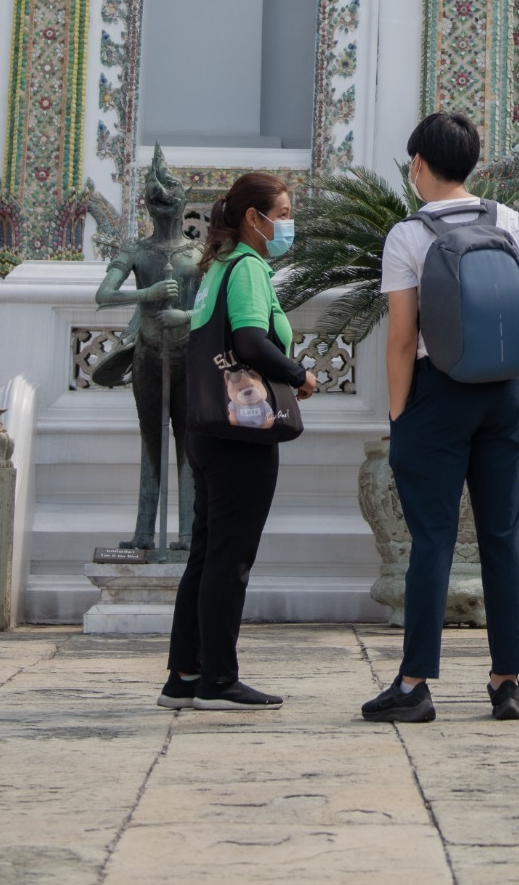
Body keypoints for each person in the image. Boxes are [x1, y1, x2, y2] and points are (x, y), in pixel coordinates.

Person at [360, 112, 519, 724]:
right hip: (503, 394)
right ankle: (508, 682)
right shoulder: (506, 221)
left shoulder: (409, 235)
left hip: (438, 393)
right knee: (503, 538)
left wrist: (400, 413)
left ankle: (414, 685)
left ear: (420, 165)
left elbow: (402, 339)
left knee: (432, 539)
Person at [159, 172, 316, 713]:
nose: (288, 223)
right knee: (231, 560)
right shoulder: (249, 268)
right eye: (285, 212)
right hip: (240, 434)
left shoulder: (217, 267)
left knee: (206, 554)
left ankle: (185, 673)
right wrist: (297, 373)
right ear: (256, 217)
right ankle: (219, 681)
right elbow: (250, 341)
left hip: (206, 431)